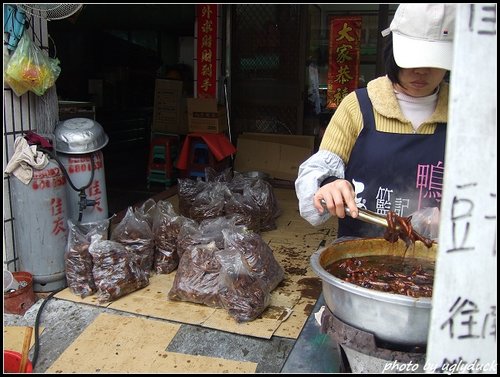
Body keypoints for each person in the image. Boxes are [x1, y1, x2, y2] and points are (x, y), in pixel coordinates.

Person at [295, 3, 456, 240]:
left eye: (433, 61)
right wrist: (329, 184)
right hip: (357, 251)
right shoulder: (357, 106)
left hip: (436, 256)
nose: (422, 71)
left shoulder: (463, 113)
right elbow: (317, 172)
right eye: (412, 59)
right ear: (392, 52)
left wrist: (460, 215)